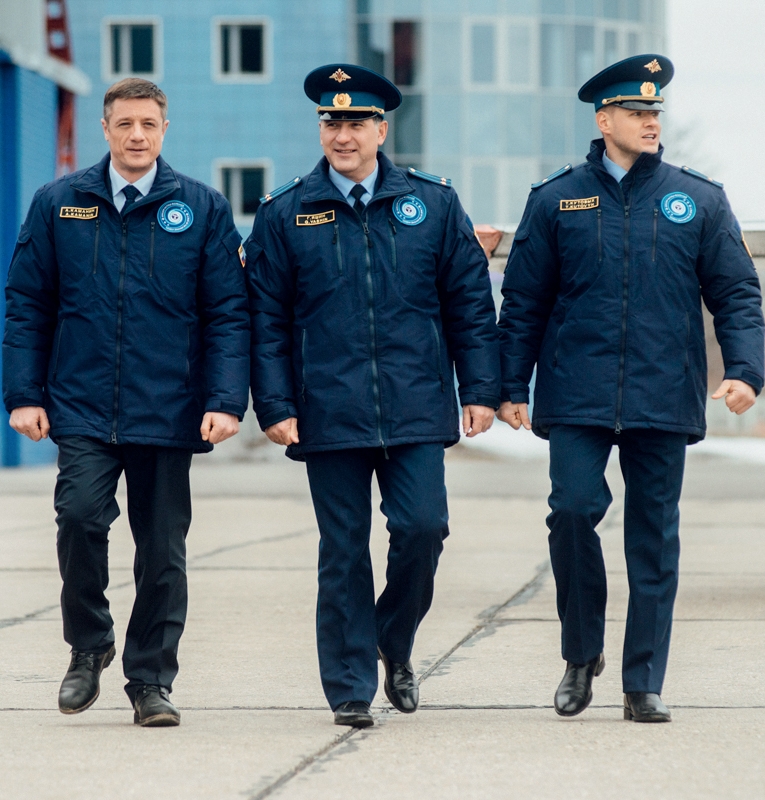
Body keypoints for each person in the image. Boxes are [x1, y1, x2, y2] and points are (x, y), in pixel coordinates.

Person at [497, 55, 764, 723]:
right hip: (576, 391)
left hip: (662, 393)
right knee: (571, 512)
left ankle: (642, 680)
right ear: (604, 120)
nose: (650, 122)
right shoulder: (555, 199)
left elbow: (736, 293)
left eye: (654, 112)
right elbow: (523, 302)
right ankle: (580, 651)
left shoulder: (697, 199)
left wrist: (744, 370)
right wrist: (509, 385)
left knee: (653, 538)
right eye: (637, 112)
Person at [246, 64, 500, 728]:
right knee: (343, 551)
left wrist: (479, 388)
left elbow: (470, 305)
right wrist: (274, 404)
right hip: (325, 410)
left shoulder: (433, 204)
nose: (343, 135)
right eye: (332, 122)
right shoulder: (283, 212)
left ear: (381, 130)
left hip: (415, 405)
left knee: (423, 529)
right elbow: (265, 321)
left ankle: (393, 637)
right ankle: (350, 688)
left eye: (356, 123)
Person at [3, 78, 250, 727]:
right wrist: (24, 394)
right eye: (124, 124)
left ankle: (150, 680)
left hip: (169, 407)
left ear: (164, 129)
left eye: (148, 124)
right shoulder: (59, 203)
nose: (136, 135)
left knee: (161, 551)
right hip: (82, 402)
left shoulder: (200, 207)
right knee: (80, 518)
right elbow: (27, 304)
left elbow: (228, 312)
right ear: (105, 128)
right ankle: (89, 645)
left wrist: (226, 399)